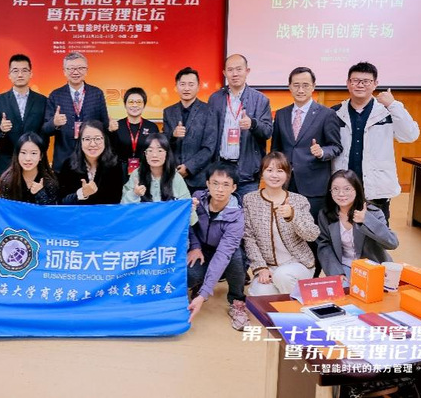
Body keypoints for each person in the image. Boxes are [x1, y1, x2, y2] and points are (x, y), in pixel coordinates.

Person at [332, 62, 420, 221]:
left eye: (366, 81)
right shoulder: (335, 112)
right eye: (355, 81)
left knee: (376, 233)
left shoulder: (387, 111)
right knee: (343, 231)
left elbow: (410, 135)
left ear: (375, 84)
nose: (360, 85)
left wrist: (393, 104)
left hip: (376, 189)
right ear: (348, 83)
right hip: (343, 188)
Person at [243, 152, 320, 295]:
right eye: (269, 170)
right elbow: (249, 237)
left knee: (283, 276)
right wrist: (261, 267)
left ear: (287, 175)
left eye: (280, 171)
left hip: (298, 263)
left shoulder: (299, 200)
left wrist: (292, 216)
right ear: (262, 173)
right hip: (269, 266)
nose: (274, 175)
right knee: (259, 293)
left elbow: (312, 235)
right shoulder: (250, 200)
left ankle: (297, 303)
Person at [271, 66, 342, 220]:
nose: (300, 90)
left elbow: (336, 147)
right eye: (296, 85)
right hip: (285, 183)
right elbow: (276, 149)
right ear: (290, 87)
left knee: (312, 228)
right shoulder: (281, 114)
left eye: (305, 85)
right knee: (286, 226)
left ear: (313, 86)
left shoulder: (326, 114)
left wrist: (322, 152)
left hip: (314, 185)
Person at [186, 163, 249, 331]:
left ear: (234, 188)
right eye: (215, 183)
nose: (220, 189)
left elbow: (223, 254)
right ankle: (200, 282)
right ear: (207, 184)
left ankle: (237, 301)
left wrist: (203, 295)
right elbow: (190, 226)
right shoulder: (197, 199)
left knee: (235, 257)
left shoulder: (237, 216)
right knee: (190, 275)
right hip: (201, 250)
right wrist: (195, 246)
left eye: (226, 184)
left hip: (225, 253)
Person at [316, 170, 398, 284]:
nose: (341, 194)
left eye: (347, 189)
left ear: (357, 190)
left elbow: (392, 243)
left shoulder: (373, 212)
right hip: (343, 267)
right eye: (335, 189)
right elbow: (324, 246)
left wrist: (367, 220)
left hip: (373, 267)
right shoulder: (325, 215)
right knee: (343, 289)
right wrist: (336, 273)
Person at [208, 54, 273, 198]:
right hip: (220, 169)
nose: (235, 74)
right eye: (230, 70)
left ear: (247, 71)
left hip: (247, 172)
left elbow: (268, 131)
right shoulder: (215, 99)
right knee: (222, 210)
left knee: (247, 210)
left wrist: (253, 124)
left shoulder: (260, 100)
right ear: (224, 73)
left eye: (239, 69)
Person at [43, 52, 110, 173]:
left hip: (92, 159)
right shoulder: (55, 95)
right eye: (71, 68)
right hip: (63, 159)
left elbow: (104, 125)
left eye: (80, 68)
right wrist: (54, 123)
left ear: (86, 70)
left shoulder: (97, 93)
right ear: (64, 71)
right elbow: (45, 129)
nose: (76, 72)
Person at [0, 54, 48, 175]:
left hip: (35, 163)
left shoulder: (42, 100)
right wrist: (1, 129)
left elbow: (45, 132)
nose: (20, 75)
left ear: (31, 74)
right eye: (15, 71)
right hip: (8, 162)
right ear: (9, 75)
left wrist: (37, 153)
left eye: (24, 70)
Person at [162, 67, 218, 194]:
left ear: (198, 87)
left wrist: (188, 167)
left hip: (199, 179)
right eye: (182, 84)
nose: (186, 88)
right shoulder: (168, 111)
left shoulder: (209, 111)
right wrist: (173, 135)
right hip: (173, 177)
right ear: (176, 87)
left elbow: (209, 147)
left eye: (191, 84)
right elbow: (163, 143)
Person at [121, 133, 197, 224]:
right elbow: (123, 210)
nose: (154, 155)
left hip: (167, 227)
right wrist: (134, 194)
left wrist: (190, 209)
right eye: (150, 150)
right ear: (145, 154)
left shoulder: (175, 177)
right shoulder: (137, 174)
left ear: (167, 154)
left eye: (160, 150)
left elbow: (191, 221)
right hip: (142, 226)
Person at [58, 120, 123, 205]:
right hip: (77, 213)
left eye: (98, 139)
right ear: (80, 142)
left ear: (105, 140)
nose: (92, 144)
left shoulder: (114, 165)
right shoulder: (69, 165)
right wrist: (82, 194)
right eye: (87, 139)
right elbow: (62, 201)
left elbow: (116, 200)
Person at [110, 87, 159, 178]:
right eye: (131, 102)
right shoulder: (116, 126)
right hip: (120, 171)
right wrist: (110, 132)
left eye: (139, 102)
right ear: (125, 104)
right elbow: (111, 151)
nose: (135, 105)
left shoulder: (152, 127)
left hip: (146, 170)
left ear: (144, 105)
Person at [0, 132, 59, 205]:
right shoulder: (7, 180)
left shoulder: (49, 182)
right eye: (23, 153)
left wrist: (41, 193)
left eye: (33, 153)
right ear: (17, 155)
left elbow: (51, 210)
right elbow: (5, 209)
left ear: (41, 156)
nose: (28, 158)